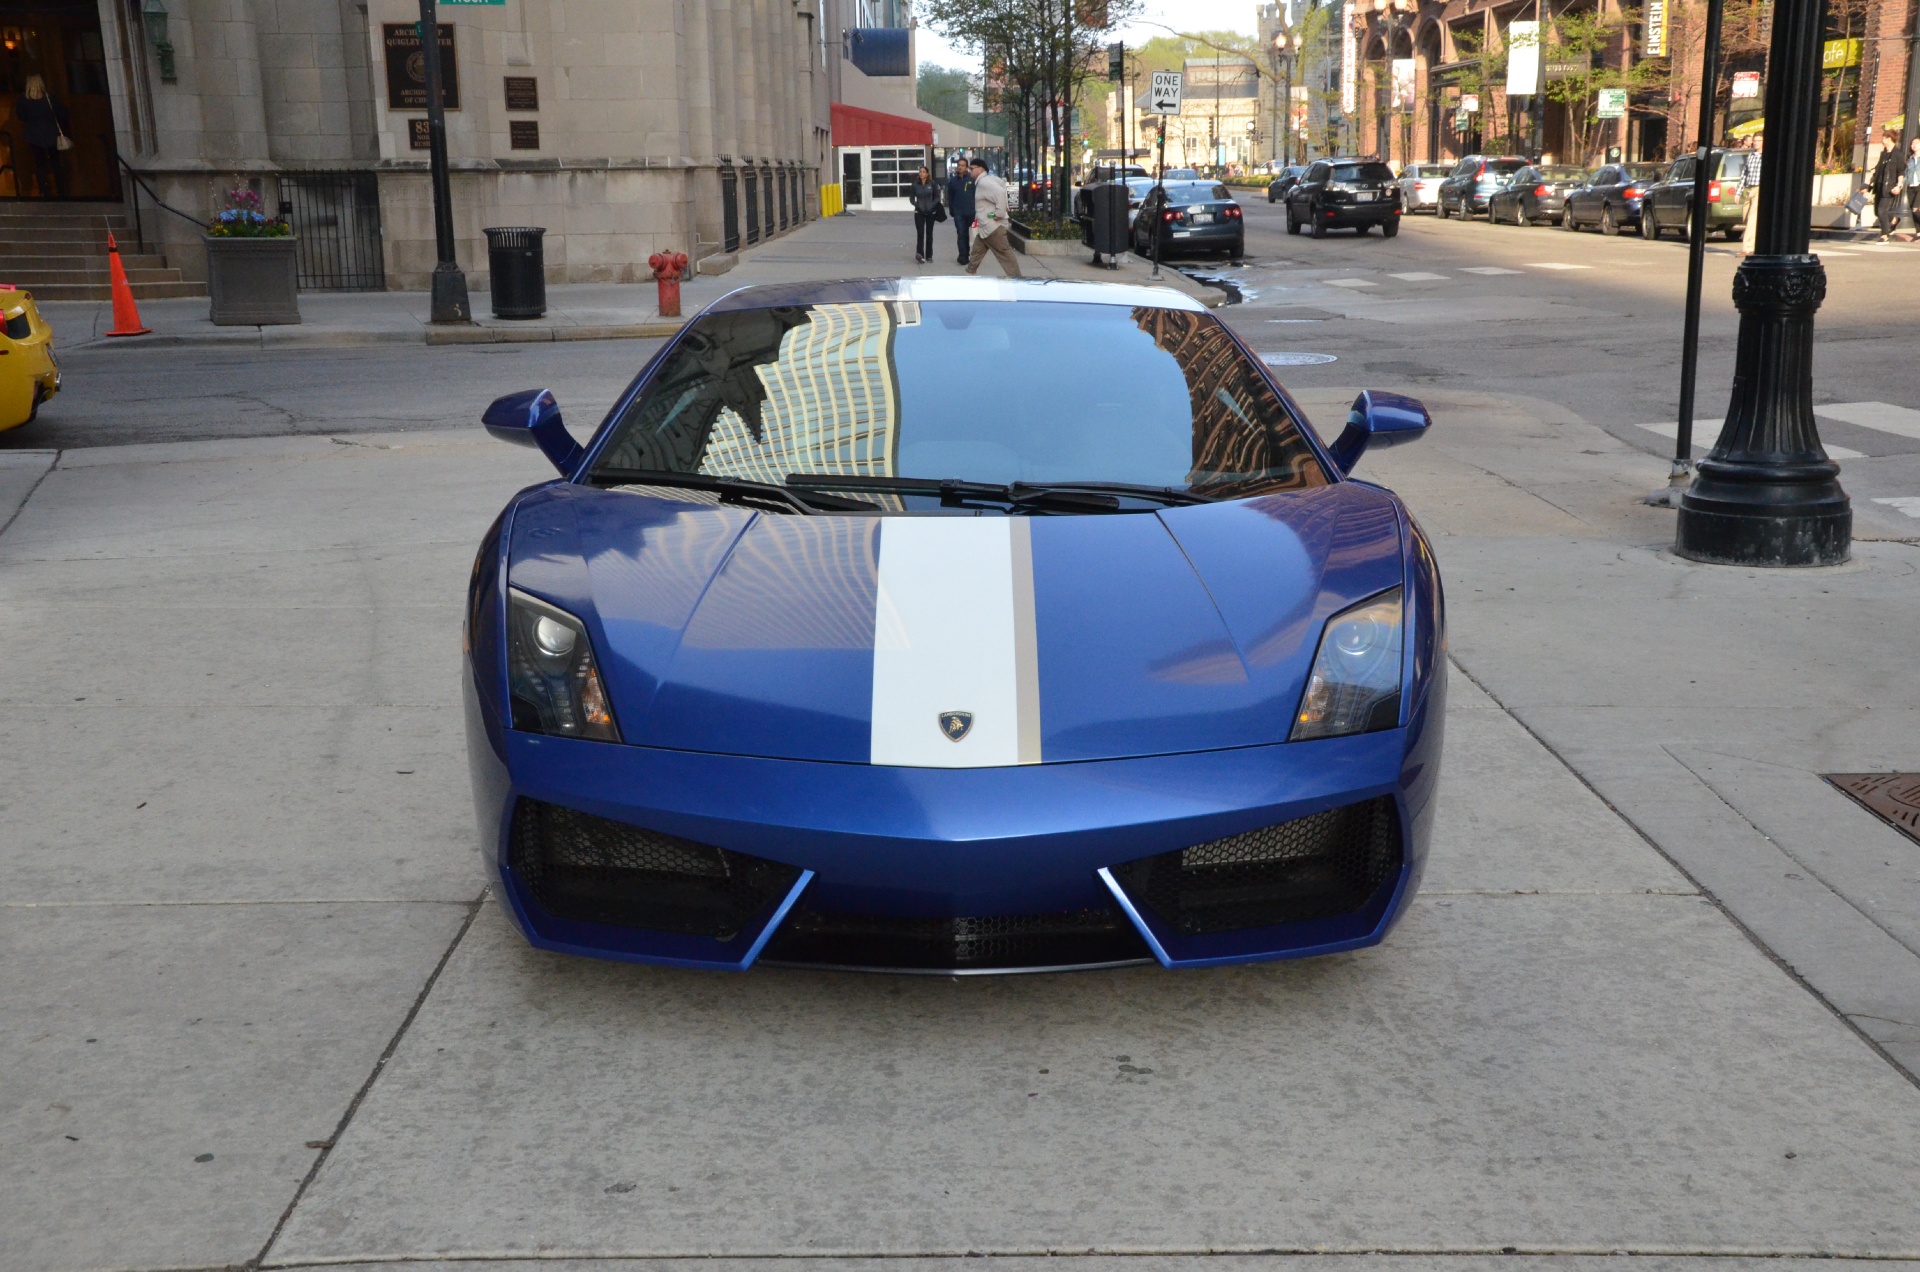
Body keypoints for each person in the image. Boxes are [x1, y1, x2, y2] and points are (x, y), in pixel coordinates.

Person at [963, 157, 1021, 277]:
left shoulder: (985, 182)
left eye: (972, 168)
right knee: (976, 252)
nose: (970, 171)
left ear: (980, 169)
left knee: (1005, 254)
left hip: (993, 228)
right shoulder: (988, 180)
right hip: (985, 227)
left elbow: (1000, 194)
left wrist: (999, 213)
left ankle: (1018, 279)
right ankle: (969, 274)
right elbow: (1002, 186)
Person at [15, 75, 70, 200]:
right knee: (56, 163)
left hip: (34, 136)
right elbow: (62, 113)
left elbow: (21, 116)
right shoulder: (49, 98)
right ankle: (61, 191)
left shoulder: (23, 100)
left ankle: (44, 191)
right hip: (51, 134)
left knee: (40, 164)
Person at [1870, 127, 1904, 243]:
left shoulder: (1898, 154)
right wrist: (1868, 185)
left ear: (1889, 139)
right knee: (1876, 211)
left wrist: (1898, 186)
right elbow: (1878, 170)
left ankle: (1884, 235)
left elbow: (1901, 171)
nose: (1882, 140)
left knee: (1881, 210)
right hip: (1879, 186)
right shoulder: (1883, 154)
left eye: (1883, 137)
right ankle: (1893, 219)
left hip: (1889, 187)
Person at [908, 165, 943, 264]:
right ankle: (920, 254)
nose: (921, 173)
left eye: (923, 172)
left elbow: (937, 197)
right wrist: (916, 205)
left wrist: (932, 205)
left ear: (927, 174)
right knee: (920, 233)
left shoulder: (932, 184)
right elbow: (911, 198)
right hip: (919, 212)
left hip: (930, 212)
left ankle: (929, 256)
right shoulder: (915, 185)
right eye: (920, 171)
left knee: (929, 234)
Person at [945, 156, 976, 265]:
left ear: (966, 167)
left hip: (971, 212)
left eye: (963, 165)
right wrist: (952, 209)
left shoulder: (972, 180)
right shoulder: (953, 181)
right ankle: (963, 256)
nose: (960, 167)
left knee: (969, 235)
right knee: (961, 234)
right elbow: (950, 196)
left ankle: (968, 253)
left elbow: (976, 195)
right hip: (958, 212)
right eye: (959, 165)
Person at [1740, 130, 1763, 255]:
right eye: (1754, 140)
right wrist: (1738, 193)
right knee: (1745, 215)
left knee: (1752, 218)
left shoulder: (1765, 157)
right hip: (1749, 189)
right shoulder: (1751, 156)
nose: (1755, 143)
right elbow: (1744, 174)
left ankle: (1748, 248)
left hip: (1759, 188)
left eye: (1758, 141)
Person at [1904, 136, 1920, 241]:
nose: (1913, 145)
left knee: (1915, 209)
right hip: (1911, 186)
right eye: (1912, 143)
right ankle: (1918, 232)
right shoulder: (1909, 159)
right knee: (1912, 210)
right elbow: (1905, 173)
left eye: (1916, 143)